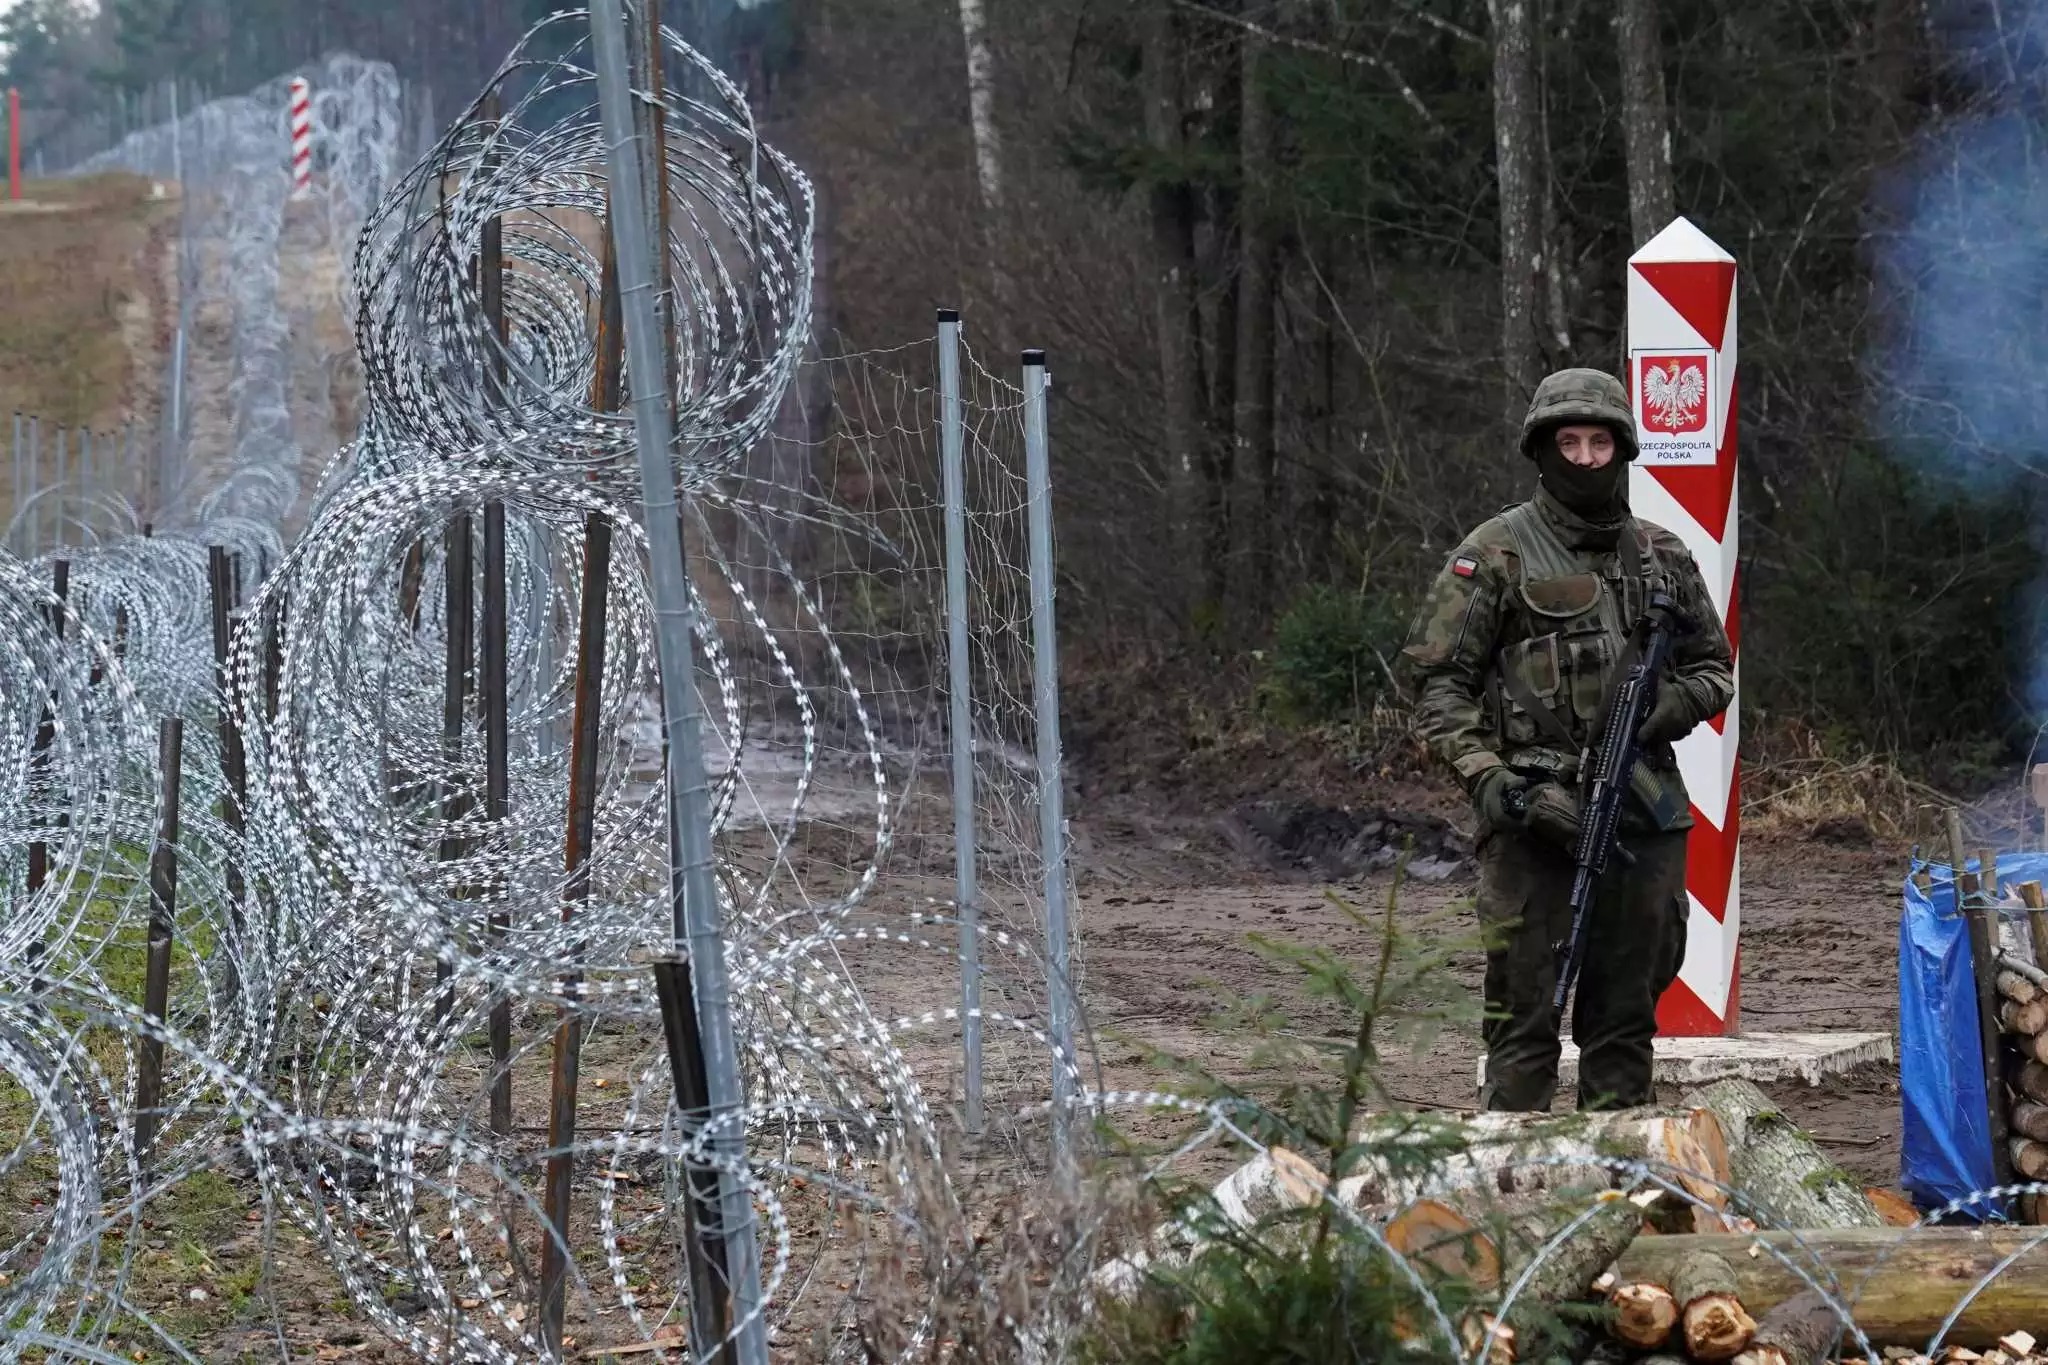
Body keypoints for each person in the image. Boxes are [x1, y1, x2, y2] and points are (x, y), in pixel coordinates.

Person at [1399, 368, 1734, 1112]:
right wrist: (1500, 786)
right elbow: (1436, 686)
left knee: (1623, 1023)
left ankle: (1622, 1197)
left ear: (1622, 448)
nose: (1585, 457)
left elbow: (1714, 667)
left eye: (1600, 441)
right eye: (1569, 441)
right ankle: (1515, 1197)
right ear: (1542, 449)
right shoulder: (1495, 553)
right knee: (1524, 1021)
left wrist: (1662, 707)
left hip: (1641, 811)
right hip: (1532, 816)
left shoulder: (1661, 555)